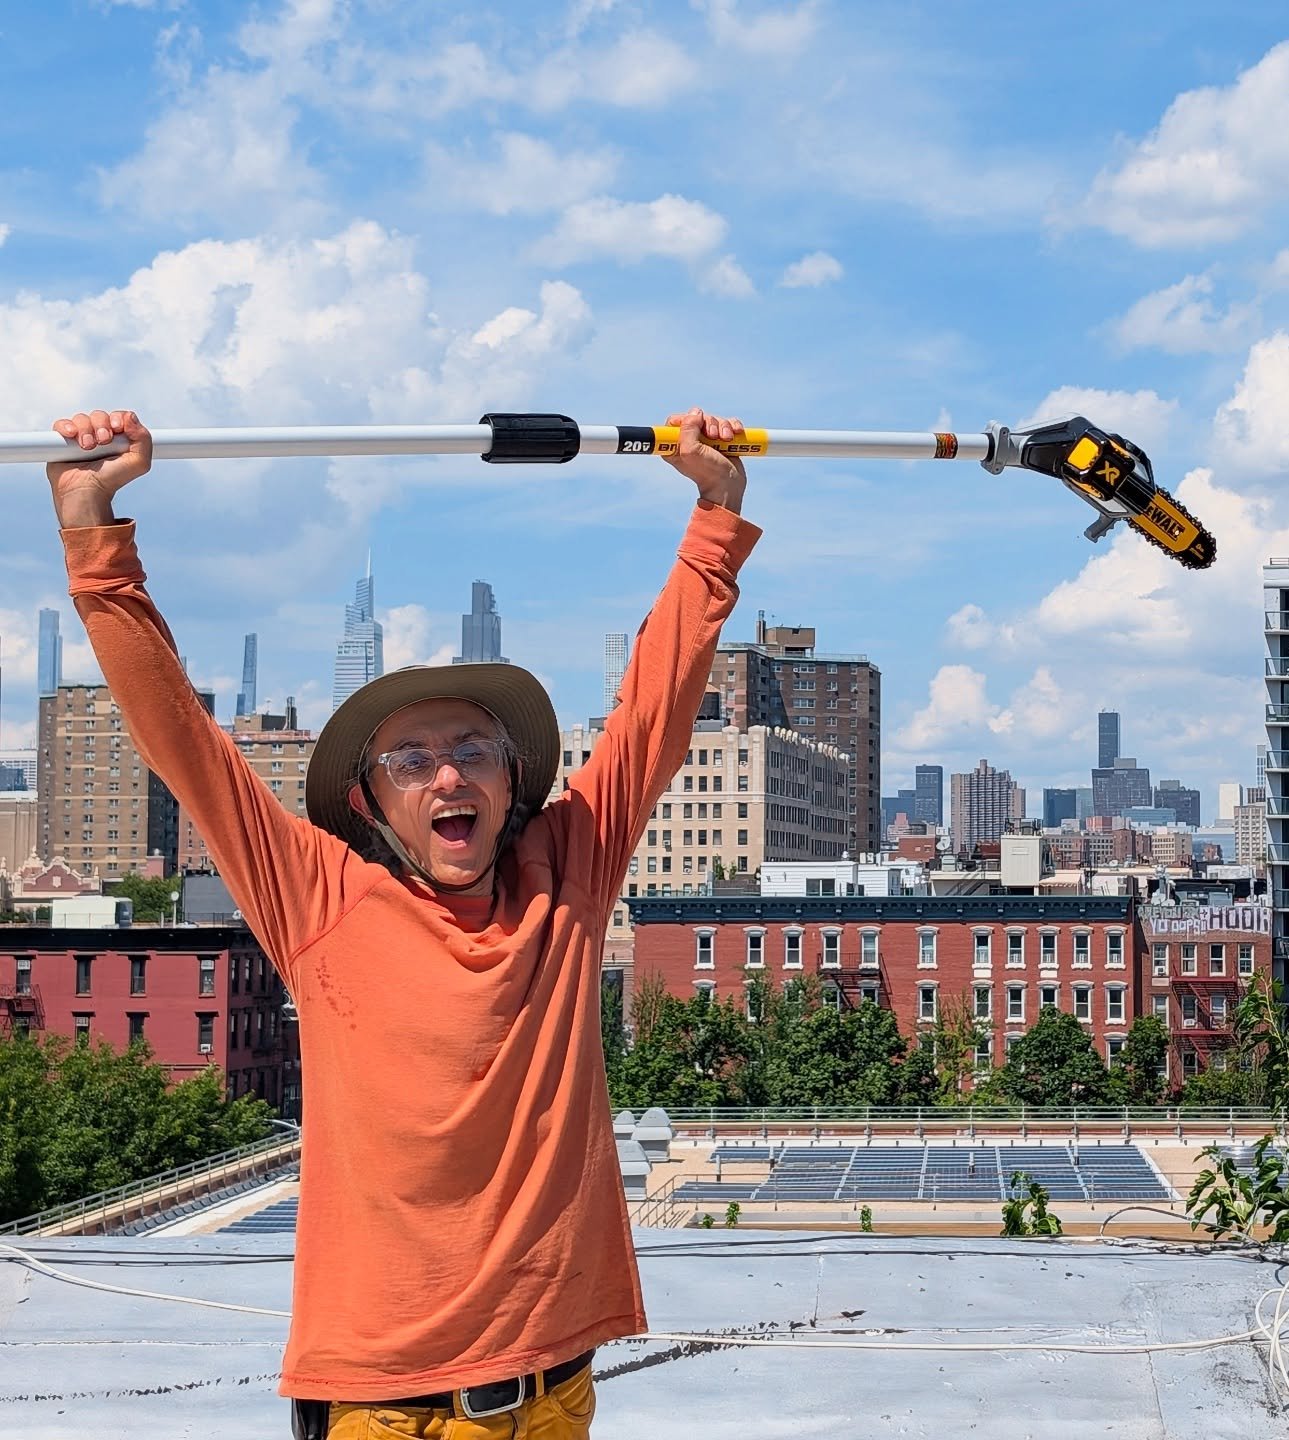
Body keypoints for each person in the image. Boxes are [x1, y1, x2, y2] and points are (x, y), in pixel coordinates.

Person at [47, 405, 761, 1439]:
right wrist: (94, 535)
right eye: (409, 761)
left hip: (555, 1392)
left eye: (471, 748)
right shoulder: (319, 900)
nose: (446, 775)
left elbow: (655, 709)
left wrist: (715, 514)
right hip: (388, 1410)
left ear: (513, 776)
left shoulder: (567, 871)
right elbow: (183, 742)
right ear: (370, 804)